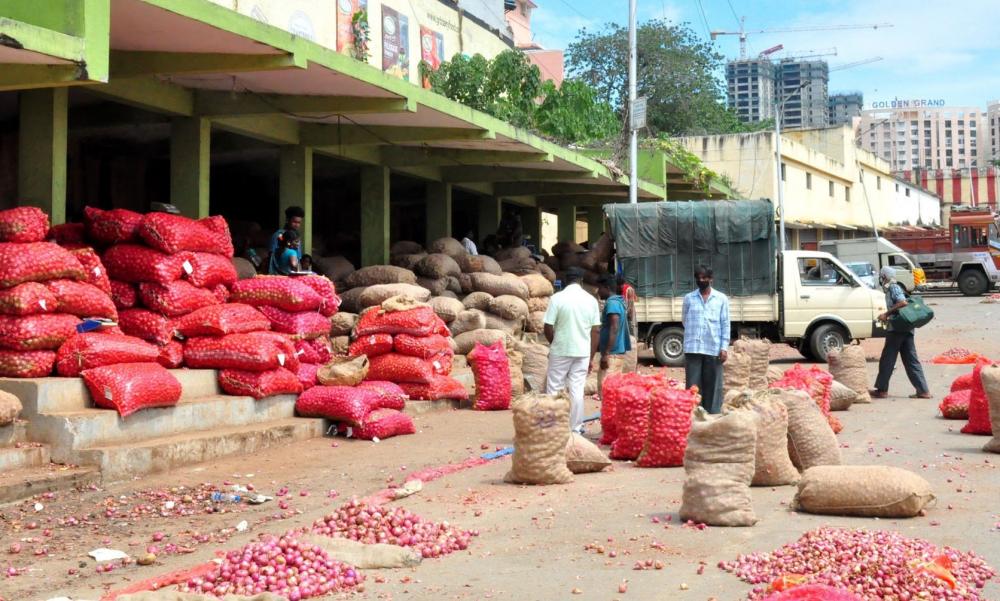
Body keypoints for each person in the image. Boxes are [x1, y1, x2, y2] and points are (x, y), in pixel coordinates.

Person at [543, 267, 601, 432]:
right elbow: (596, 330)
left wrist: (554, 342)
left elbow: (547, 326)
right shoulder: (591, 300)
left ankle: (553, 428)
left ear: (566, 281)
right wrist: (590, 357)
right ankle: (575, 428)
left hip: (560, 350)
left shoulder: (557, 298)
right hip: (582, 352)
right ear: (581, 281)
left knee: (554, 388)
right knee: (577, 389)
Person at [870, 266, 931, 399]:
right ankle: (923, 391)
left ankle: (882, 390)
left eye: (881, 276)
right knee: (911, 360)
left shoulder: (893, 287)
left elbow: (902, 302)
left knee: (887, 359)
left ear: (884, 277)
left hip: (897, 329)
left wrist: (886, 314)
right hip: (906, 330)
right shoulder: (893, 287)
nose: (880, 279)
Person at [682, 266, 730, 414]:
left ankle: (712, 416)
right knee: (693, 387)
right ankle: (694, 417)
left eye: (704, 278)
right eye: (698, 278)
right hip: (693, 348)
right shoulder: (689, 298)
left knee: (713, 386)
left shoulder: (721, 298)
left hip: (713, 348)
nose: (701, 280)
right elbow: (684, 320)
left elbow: (725, 323)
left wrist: (724, 347)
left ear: (711, 279)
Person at [597, 275, 631, 395]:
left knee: (607, 391)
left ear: (606, 288)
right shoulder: (618, 301)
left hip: (612, 354)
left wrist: (606, 354)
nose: (598, 291)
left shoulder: (612, 303)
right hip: (615, 353)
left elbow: (614, 327)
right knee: (612, 392)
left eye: (599, 288)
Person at [269, 206, 304, 275]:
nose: (297, 225)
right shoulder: (278, 236)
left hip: (293, 274)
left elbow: (298, 259)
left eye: (299, 223)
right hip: (278, 275)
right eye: (294, 222)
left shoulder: (297, 238)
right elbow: (272, 258)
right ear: (287, 220)